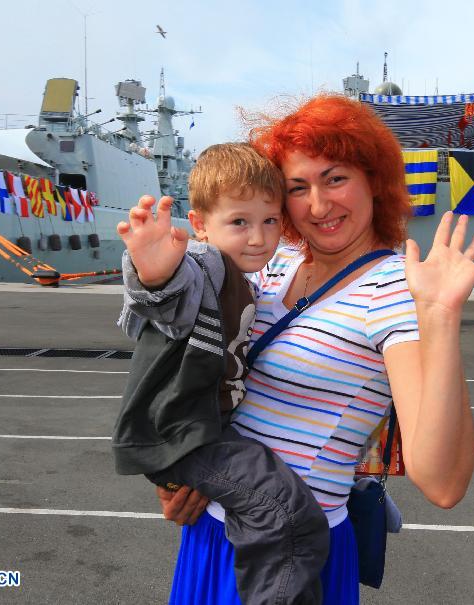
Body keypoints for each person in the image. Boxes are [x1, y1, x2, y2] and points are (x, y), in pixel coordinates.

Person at [127, 94, 474, 604]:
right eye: (297, 188)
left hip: (291, 552)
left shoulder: (394, 289)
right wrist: (183, 471)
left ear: (375, 180)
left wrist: (439, 316)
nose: (319, 206)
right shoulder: (271, 262)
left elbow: (442, 482)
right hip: (214, 530)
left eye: (336, 178)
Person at [115, 143, 329, 605]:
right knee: (287, 514)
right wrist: (152, 272)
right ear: (199, 226)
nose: (258, 237)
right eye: (239, 222)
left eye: (270, 221)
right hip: (183, 434)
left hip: (202, 433)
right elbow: (170, 291)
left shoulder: (247, 278)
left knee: (264, 514)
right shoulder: (207, 265)